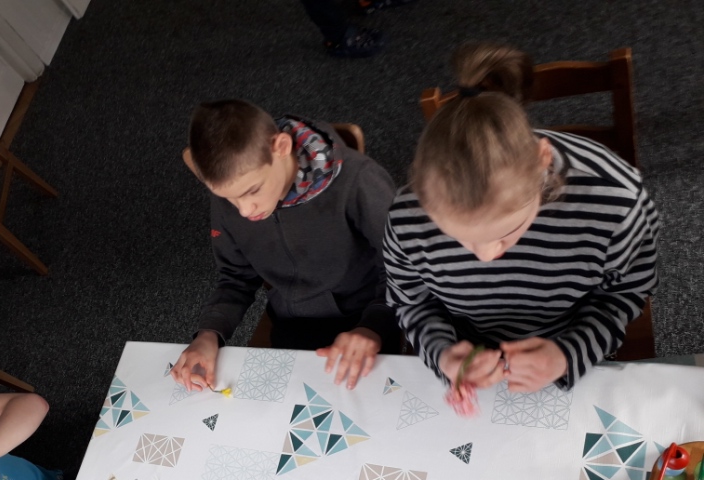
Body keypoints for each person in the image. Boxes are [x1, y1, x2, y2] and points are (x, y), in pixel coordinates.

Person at [382, 42, 659, 398]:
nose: (485, 256)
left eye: (506, 233)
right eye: (455, 236)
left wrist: (568, 353)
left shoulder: (616, 201)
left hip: (572, 343)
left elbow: (626, 292)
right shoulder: (407, 215)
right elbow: (411, 301)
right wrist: (443, 354)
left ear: (543, 160)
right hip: (468, 352)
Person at [172, 99, 401, 392]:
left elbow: (403, 268)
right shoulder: (235, 186)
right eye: (229, 198)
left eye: (253, 190)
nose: (244, 210)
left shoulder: (360, 182)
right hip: (292, 322)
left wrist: (373, 326)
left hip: (372, 314)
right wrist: (209, 334)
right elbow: (235, 278)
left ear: (281, 147)